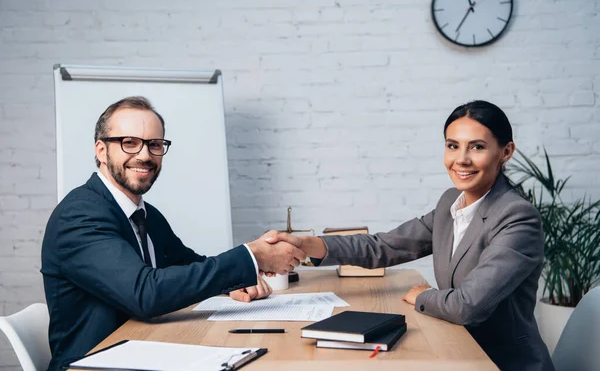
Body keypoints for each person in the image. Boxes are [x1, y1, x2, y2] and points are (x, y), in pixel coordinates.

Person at [269, 100, 554, 371]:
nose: (462, 160)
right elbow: (384, 247)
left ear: (505, 152)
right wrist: (307, 244)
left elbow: (467, 306)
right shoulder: (451, 202)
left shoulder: (517, 217)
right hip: (457, 350)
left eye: (477, 147)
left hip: (499, 362)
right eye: (453, 146)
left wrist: (425, 295)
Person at [41, 96, 305, 371]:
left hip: (143, 350)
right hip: (93, 365)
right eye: (129, 142)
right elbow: (145, 293)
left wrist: (234, 283)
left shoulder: (146, 214)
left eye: (154, 144)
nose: (144, 155)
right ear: (101, 150)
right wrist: (253, 256)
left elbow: (187, 264)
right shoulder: (79, 215)